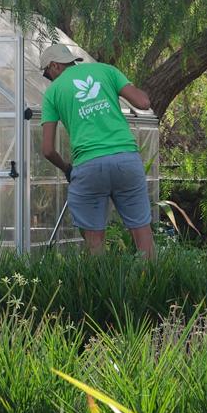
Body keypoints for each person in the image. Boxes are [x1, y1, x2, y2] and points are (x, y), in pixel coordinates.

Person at [38, 43, 155, 257]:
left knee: (94, 242)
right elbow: (143, 102)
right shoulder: (106, 70)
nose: (49, 79)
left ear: (54, 66)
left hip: (89, 165)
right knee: (141, 231)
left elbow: (47, 150)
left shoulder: (53, 93)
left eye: (47, 74)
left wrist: (67, 169)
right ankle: (151, 284)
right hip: (126, 160)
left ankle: (101, 285)